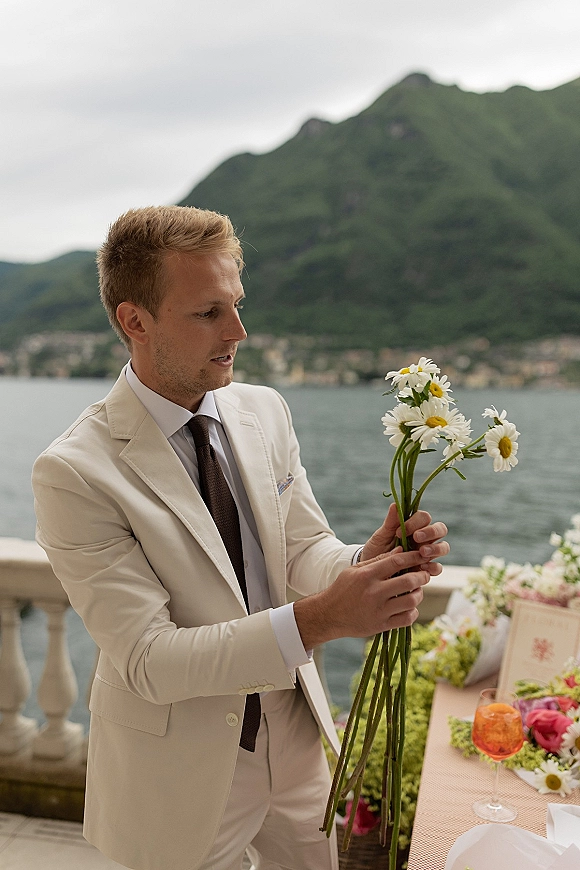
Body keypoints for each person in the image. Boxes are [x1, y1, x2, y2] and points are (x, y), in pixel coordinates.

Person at [31, 205, 449, 870]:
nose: (238, 331)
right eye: (208, 313)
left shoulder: (264, 410)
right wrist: (320, 621)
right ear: (134, 321)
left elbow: (302, 550)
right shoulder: (74, 471)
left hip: (295, 730)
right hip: (178, 769)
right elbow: (149, 659)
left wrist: (365, 560)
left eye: (238, 304)